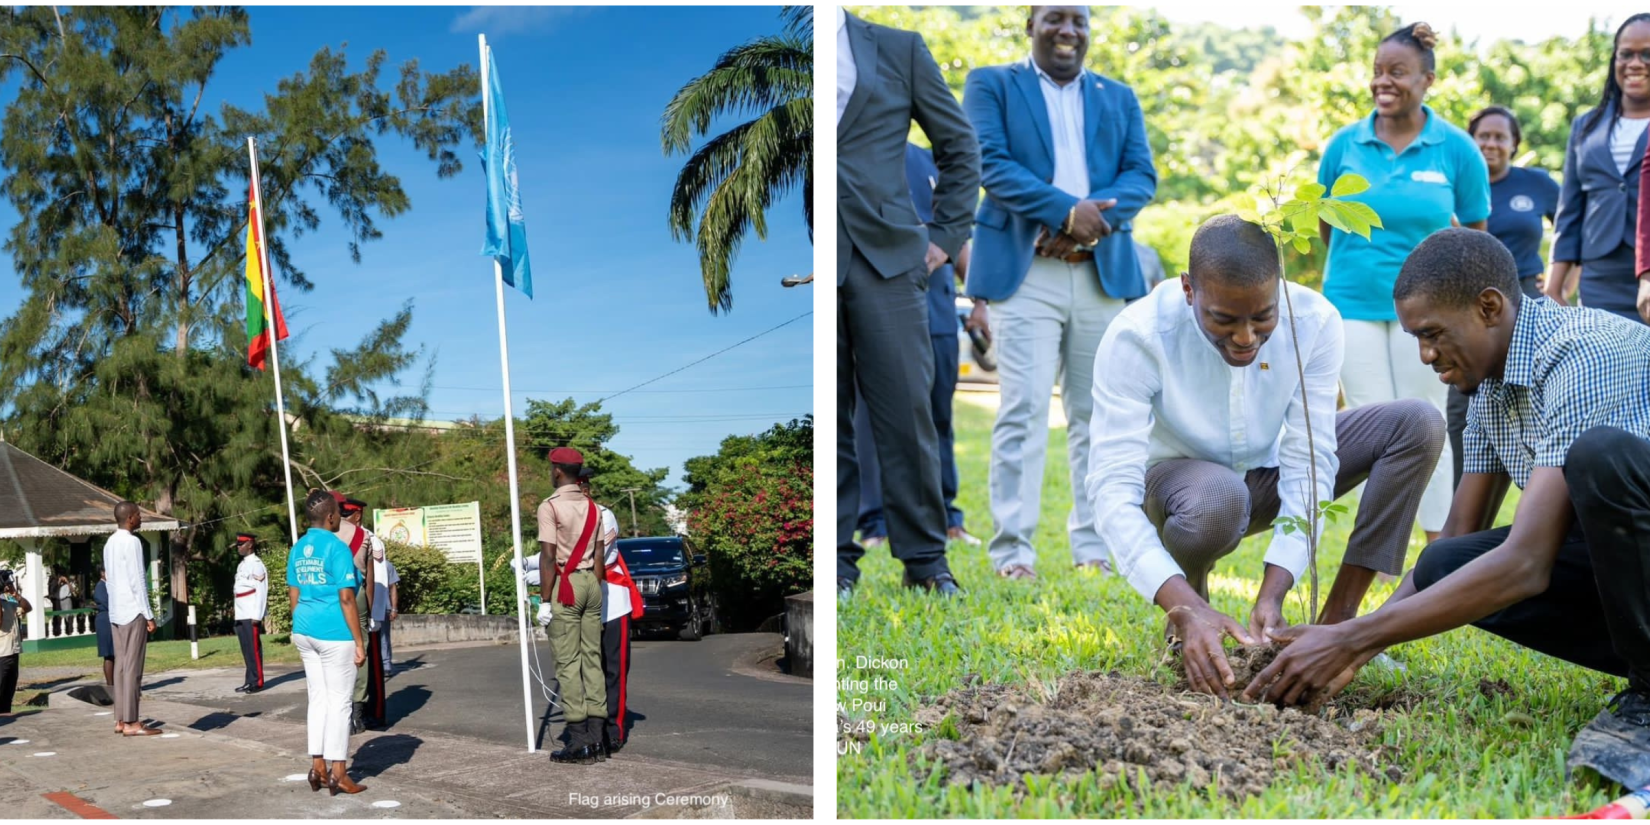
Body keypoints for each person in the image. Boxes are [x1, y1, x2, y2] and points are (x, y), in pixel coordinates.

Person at [1247, 227, 1650, 788]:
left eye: (1432, 333)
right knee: (1445, 564)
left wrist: (1351, 638)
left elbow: (1525, 563)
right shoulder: (1490, 388)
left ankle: (1649, 698)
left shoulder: (1585, 354)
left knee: (1599, 456)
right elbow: (1456, 543)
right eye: (1416, 338)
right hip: (1634, 573)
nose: (1426, 355)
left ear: (1489, 307)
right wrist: (1353, 644)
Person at [1086, 215, 1443, 698]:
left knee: (1416, 424)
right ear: (1189, 290)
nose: (1246, 338)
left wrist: (1274, 592)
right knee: (1217, 495)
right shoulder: (1138, 335)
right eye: (1224, 319)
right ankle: (1191, 610)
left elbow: (1310, 458)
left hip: (1265, 475)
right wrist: (1182, 605)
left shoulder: (1313, 322)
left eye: (1262, 318)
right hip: (1179, 491)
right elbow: (1111, 490)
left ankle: (1341, 631)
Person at [961, 5, 1157, 580]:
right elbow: (989, 164)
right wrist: (1067, 210)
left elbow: (1141, 175)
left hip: (1101, 270)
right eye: (1054, 18)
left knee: (1098, 416)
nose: (1067, 30)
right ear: (1030, 24)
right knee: (1021, 410)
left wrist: (1094, 221)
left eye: (1079, 20)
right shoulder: (992, 84)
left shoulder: (1118, 96)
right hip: (1027, 272)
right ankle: (1013, 554)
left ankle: (1093, 548)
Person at [1315, 22, 1489, 545]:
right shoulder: (1344, 144)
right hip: (1354, 304)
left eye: (1397, 72)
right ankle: (1374, 551)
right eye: (1376, 72)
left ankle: (1439, 551)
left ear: (1427, 79)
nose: (1382, 82)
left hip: (1433, 315)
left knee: (1429, 423)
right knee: (1373, 425)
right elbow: (1326, 222)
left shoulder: (1456, 149)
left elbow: (1476, 238)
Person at [836, 8, 980, 599]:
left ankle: (925, 560)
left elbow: (959, 145)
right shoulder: (781, 54)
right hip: (815, 259)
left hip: (888, 258)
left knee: (906, 412)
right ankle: (838, 566)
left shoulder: (899, 48)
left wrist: (944, 240)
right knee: (833, 423)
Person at [853, 142, 980, 551]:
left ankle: (948, 518)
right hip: (876, 306)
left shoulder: (935, 160)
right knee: (873, 420)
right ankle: (875, 523)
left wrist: (981, 301)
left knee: (939, 417)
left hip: (938, 308)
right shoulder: (853, 150)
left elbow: (959, 238)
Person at [1445, 106, 1563, 488]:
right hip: (1468, 303)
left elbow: (1574, 230)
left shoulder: (1538, 183)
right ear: (1471, 140)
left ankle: (1547, 486)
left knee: (1540, 391)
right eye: (1483, 136)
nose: (1491, 143)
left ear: (1514, 144)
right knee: (1464, 399)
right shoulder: (1458, 181)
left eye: (1500, 137)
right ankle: (1464, 493)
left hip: (1529, 297)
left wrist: (1561, 283)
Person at [1555, 14, 1650, 324]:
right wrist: (1556, 286)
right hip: (1600, 275)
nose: (1635, 63)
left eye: (1647, 54)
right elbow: (1570, 209)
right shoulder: (1586, 126)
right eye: (1626, 54)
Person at [288, 489, 367, 796]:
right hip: (334, 633)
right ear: (332, 516)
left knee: (318, 699)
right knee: (340, 702)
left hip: (304, 629)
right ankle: (339, 773)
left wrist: (302, 622)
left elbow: (294, 593)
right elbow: (347, 598)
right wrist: (358, 642)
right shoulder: (337, 548)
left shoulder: (298, 547)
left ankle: (317, 766)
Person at [537, 447, 607, 764]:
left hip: (565, 585)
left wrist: (544, 601)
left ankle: (579, 742)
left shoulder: (549, 507)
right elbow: (600, 555)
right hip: (592, 584)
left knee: (568, 664)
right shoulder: (594, 508)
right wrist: (594, 586)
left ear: (557, 471)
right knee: (592, 660)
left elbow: (549, 557)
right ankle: (598, 739)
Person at [580, 468, 644, 755]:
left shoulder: (604, 515)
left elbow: (596, 554)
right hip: (583, 602)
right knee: (586, 671)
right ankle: (590, 730)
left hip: (613, 603)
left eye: (580, 487)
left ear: (586, 488)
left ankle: (613, 730)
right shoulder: (561, 518)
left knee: (614, 670)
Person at [104, 501, 159, 736]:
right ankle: (132, 722)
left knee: (120, 666)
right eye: (138, 515)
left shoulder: (109, 543)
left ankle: (119, 719)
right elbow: (138, 580)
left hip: (116, 610)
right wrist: (149, 614)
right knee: (133, 667)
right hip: (133, 610)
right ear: (129, 519)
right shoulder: (132, 542)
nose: (141, 518)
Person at [336, 495, 383, 731]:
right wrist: (373, 610)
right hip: (357, 595)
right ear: (359, 515)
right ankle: (358, 711)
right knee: (360, 648)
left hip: (332, 597)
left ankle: (341, 708)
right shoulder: (365, 536)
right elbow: (370, 579)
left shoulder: (329, 535)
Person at [232, 533, 268, 694]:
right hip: (241, 612)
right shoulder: (242, 565)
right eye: (238, 545)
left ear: (250, 545)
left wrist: (257, 615)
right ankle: (249, 680)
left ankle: (258, 681)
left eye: (241, 544)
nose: (238, 547)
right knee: (246, 649)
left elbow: (261, 590)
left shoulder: (256, 564)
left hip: (251, 612)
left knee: (253, 649)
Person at [0, 572, 32, 714]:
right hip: (2, 654)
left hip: (14, 652)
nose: (7, 585)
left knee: (8, 694)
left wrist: (15, 594)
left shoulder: (9, 601)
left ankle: (7, 718)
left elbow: (28, 607)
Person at [370, 539, 398, 678]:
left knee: (384, 637)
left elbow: (393, 588)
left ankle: (386, 664)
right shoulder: (366, 566)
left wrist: (394, 608)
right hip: (369, 607)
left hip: (384, 607)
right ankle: (373, 665)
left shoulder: (387, 566)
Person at [92, 567, 113, 687]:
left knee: (114, 654)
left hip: (110, 619)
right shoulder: (100, 586)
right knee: (108, 654)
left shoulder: (109, 585)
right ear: (103, 573)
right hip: (105, 621)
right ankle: (110, 685)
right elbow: (107, 603)